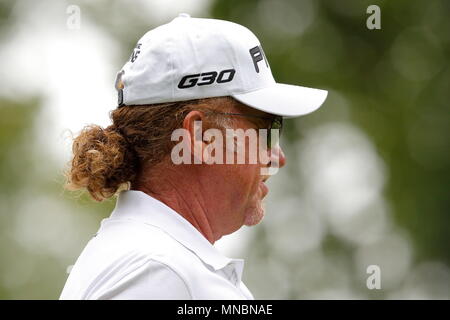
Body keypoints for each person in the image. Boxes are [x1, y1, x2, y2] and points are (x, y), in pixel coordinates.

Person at [59, 14, 327, 300]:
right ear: (200, 137)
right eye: (265, 127)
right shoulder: (156, 272)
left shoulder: (162, 263)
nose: (277, 156)